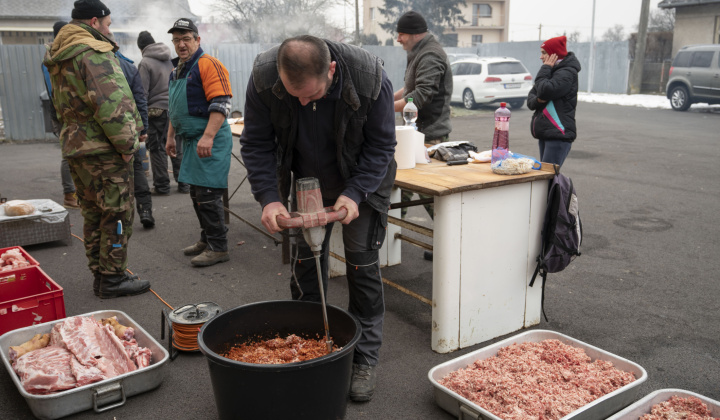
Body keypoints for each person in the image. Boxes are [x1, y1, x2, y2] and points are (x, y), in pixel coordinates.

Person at [239, 35, 396, 402]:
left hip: (361, 184)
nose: (303, 102)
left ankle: (364, 358)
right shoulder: (264, 77)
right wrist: (269, 199)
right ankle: (310, 348)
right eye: (295, 96)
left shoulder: (371, 78)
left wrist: (355, 194)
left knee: (361, 266)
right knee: (307, 265)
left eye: (312, 95)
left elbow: (381, 146)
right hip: (307, 182)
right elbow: (257, 143)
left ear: (332, 70)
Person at [44, 0, 150, 298]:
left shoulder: (60, 54)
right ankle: (113, 279)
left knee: (92, 214)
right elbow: (110, 104)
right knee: (116, 215)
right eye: (108, 23)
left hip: (77, 148)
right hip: (104, 150)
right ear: (94, 22)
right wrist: (128, 145)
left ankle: (101, 275)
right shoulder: (93, 51)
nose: (109, 29)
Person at [165, 18, 233, 267]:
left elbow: (222, 103)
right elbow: (173, 108)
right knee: (196, 193)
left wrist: (208, 136)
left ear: (197, 39)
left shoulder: (209, 64)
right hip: (191, 140)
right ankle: (207, 239)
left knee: (207, 193)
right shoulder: (177, 70)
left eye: (186, 39)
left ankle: (219, 247)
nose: (181, 44)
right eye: (176, 40)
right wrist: (171, 136)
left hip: (210, 139)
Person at [392, 11, 453, 260]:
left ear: (415, 33)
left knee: (428, 193)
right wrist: (386, 97)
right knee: (402, 186)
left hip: (429, 135)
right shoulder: (419, 52)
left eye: (401, 33)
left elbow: (421, 96)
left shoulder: (430, 54)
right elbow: (410, 88)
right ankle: (387, 236)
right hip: (416, 133)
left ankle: (450, 242)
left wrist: (383, 107)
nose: (398, 39)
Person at [108, 33, 155, 228]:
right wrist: (142, 127)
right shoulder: (128, 66)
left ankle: (119, 219)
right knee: (136, 170)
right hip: (129, 128)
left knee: (113, 175)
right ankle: (145, 211)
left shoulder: (95, 66)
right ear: (115, 45)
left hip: (107, 132)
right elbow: (140, 98)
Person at [137, 30, 188, 195]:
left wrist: (141, 122)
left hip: (156, 112)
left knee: (157, 148)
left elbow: (142, 94)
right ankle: (184, 184)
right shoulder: (169, 58)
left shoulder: (145, 63)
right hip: (174, 109)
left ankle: (162, 186)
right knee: (176, 146)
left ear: (141, 48)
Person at [527, 35, 581, 168]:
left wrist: (545, 70)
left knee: (548, 177)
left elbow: (545, 90)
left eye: (544, 53)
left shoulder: (566, 73)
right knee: (546, 178)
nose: (541, 57)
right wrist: (539, 99)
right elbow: (531, 100)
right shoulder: (551, 71)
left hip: (558, 135)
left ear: (554, 54)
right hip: (547, 133)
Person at [41, 20, 78, 209]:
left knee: (74, 152)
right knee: (68, 154)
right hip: (61, 114)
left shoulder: (58, 54)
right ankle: (69, 195)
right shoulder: (54, 56)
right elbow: (55, 91)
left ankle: (75, 192)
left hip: (65, 113)